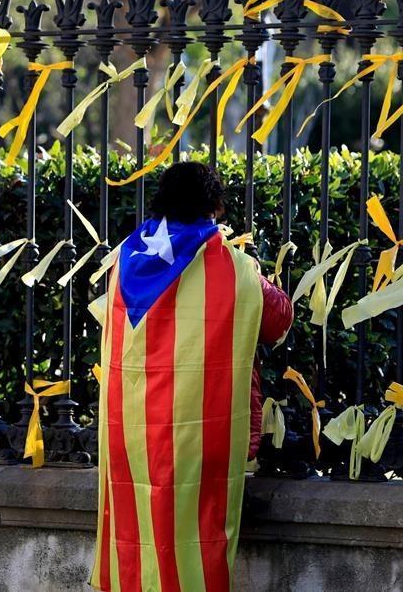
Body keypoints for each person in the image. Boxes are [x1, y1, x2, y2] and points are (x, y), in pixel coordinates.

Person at [90, 161, 292, 592]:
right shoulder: (234, 267)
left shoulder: (125, 260)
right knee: (200, 543)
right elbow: (279, 320)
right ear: (214, 207)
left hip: (134, 429)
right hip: (204, 431)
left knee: (137, 533)